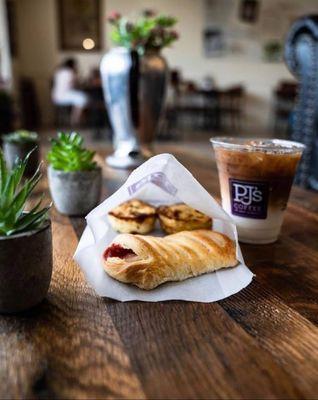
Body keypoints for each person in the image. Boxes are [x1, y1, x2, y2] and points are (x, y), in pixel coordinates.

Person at [52, 58, 88, 126]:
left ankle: (78, 119)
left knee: (80, 97)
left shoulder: (59, 71)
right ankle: (75, 119)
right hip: (64, 96)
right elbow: (74, 85)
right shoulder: (70, 72)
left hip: (55, 96)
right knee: (83, 98)